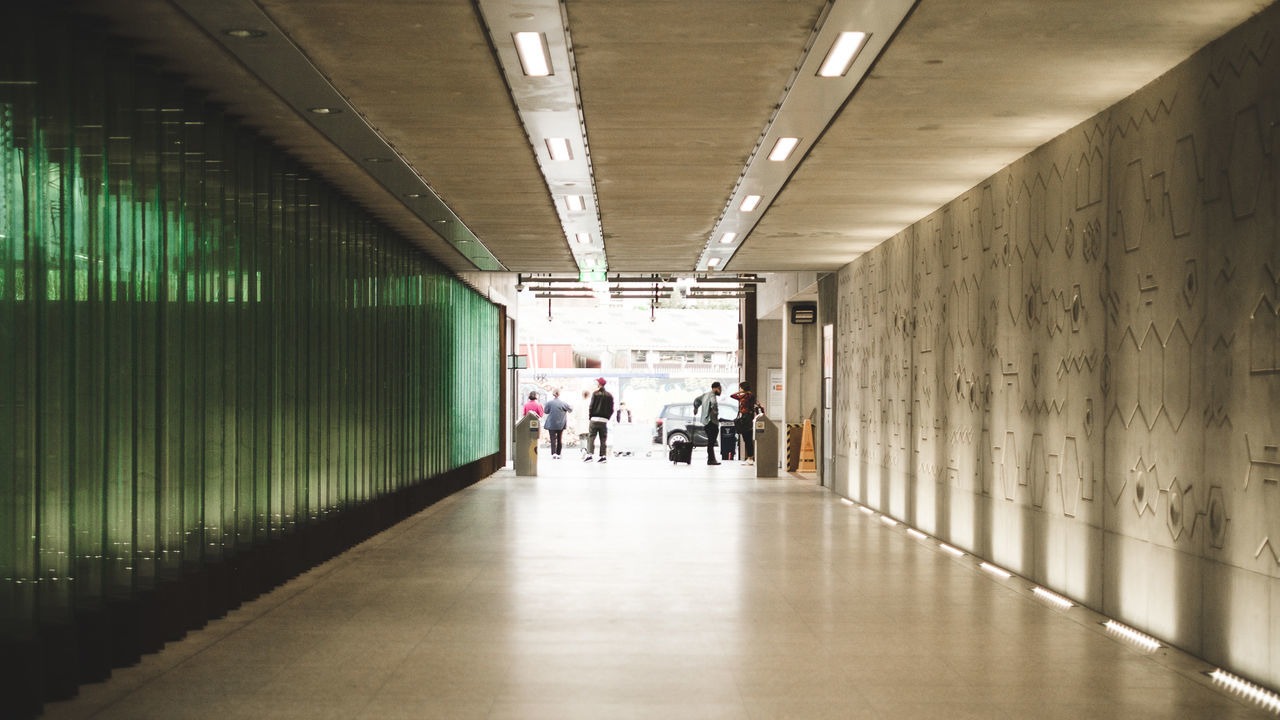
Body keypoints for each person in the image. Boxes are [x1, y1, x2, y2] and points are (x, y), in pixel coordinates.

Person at [584, 377, 614, 463]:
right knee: (603, 439)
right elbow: (611, 409)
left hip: (594, 419)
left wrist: (591, 417)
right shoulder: (609, 395)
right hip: (604, 421)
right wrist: (607, 418)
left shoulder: (595, 394)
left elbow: (591, 406)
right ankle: (603, 456)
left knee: (591, 437)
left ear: (599, 384)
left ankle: (590, 455)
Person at [730, 381, 760, 466]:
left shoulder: (745, 396)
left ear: (743, 388)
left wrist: (740, 392)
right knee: (747, 438)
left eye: (740, 387)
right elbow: (732, 396)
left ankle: (750, 457)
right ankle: (749, 457)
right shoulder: (750, 396)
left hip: (746, 418)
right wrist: (742, 391)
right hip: (748, 417)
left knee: (747, 438)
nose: (739, 389)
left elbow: (732, 395)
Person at [694, 381, 722, 465]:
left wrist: (696, 408)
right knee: (711, 442)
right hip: (711, 421)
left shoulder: (705, 395)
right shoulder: (712, 395)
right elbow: (713, 403)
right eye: (720, 389)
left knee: (710, 441)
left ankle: (711, 459)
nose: (720, 391)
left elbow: (696, 400)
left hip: (705, 422)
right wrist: (715, 412)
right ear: (716, 388)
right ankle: (711, 460)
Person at [543, 389, 572, 459]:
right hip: (560, 424)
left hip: (551, 423)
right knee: (559, 439)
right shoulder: (563, 403)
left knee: (552, 439)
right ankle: (559, 453)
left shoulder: (549, 403)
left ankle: (553, 453)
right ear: (559, 394)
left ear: (553, 394)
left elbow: (546, 411)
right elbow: (570, 410)